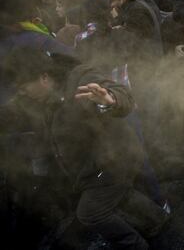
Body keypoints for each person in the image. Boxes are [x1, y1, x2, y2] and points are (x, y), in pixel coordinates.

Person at [0, 47, 169, 250]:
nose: (22, 92)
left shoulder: (81, 79)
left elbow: (123, 97)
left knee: (91, 212)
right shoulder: (35, 97)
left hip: (116, 159)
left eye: (23, 87)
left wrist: (109, 102)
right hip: (91, 167)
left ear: (43, 77)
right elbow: (12, 112)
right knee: (116, 196)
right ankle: (156, 222)